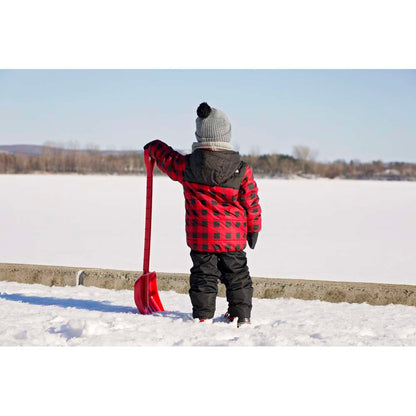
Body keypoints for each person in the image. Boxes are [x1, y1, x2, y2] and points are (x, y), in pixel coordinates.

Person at [144, 102, 262, 327]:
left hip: (201, 238)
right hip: (233, 239)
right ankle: (241, 316)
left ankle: (203, 316)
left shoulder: (188, 165)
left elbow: (167, 159)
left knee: (203, 277)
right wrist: (254, 228)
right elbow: (252, 202)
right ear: (226, 135)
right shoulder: (241, 168)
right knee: (237, 277)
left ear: (200, 135)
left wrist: (154, 146)